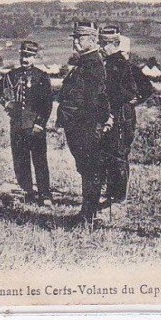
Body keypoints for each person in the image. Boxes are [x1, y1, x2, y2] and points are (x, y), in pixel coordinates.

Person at [56, 21, 110, 226]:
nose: (75, 42)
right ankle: (87, 213)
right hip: (79, 127)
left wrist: (90, 125)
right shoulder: (85, 62)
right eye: (75, 38)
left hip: (85, 127)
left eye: (80, 38)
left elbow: (95, 100)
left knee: (90, 171)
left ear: (92, 40)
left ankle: (88, 216)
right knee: (87, 170)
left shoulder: (93, 64)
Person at [0, 40, 53, 204]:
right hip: (17, 125)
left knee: (40, 161)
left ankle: (45, 195)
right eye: (23, 55)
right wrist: (6, 103)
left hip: (35, 126)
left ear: (35, 57)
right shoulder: (12, 75)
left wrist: (40, 123)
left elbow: (47, 104)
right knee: (20, 160)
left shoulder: (42, 77)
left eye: (29, 56)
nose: (25, 59)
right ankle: (27, 192)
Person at [98, 26, 141, 215]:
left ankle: (119, 197)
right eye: (101, 43)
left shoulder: (122, 65)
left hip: (122, 118)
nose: (101, 47)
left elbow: (138, 90)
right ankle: (111, 194)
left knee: (119, 155)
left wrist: (131, 101)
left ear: (114, 44)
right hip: (114, 116)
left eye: (104, 44)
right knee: (110, 154)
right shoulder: (107, 64)